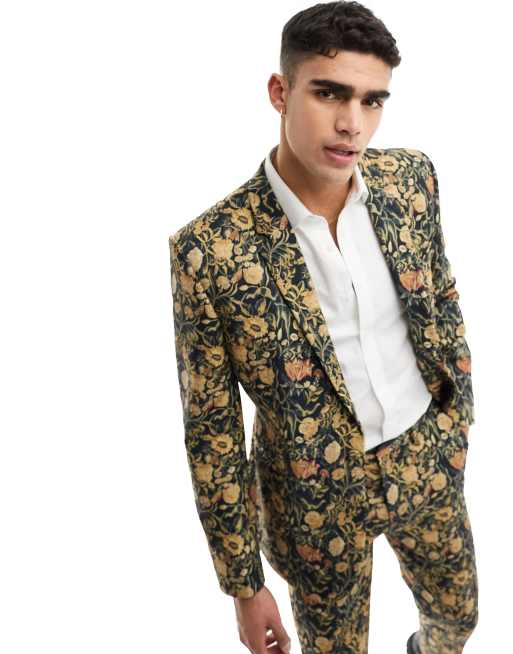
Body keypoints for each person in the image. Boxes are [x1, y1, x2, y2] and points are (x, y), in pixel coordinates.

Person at [168, 2, 479, 653]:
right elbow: (211, 428)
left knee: (458, 617)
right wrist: (244, 585)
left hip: (425, 458)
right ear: (280, 92)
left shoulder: (409, 181)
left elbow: (441, 298)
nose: (351, 124)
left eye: (372, 101)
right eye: (329, 93)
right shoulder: (209, 250)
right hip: (312, 506)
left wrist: (455, 424)